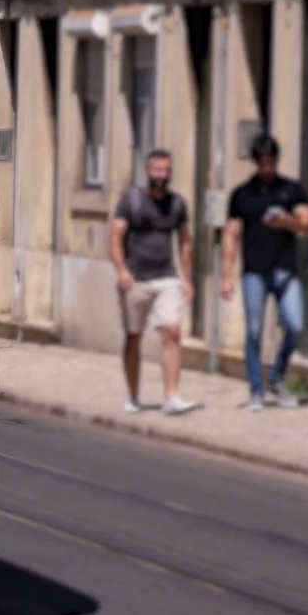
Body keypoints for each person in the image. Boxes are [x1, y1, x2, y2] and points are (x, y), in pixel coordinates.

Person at [222, 134, 308, 412]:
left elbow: (307, 224)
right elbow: (231, 235)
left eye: (272, 162)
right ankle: (256, 390)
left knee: (295, 326)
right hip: (254, 271)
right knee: (253, 332)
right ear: (256, 163)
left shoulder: (291, 190)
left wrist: (287, 222)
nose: (267, 168)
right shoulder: (242, 195)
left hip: (285, 270)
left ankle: (276, 376)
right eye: (263, 163)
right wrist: (226, 276)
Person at [110, 150, 199, 416]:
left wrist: (188, 280)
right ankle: (133, 395)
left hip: (166, 277)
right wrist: (122, 270)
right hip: (135, 279)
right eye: (158, 170)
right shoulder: (131, 200)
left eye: (166, 170)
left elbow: (185, 242)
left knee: (172, 332)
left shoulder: (177, 204)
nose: (162, 175)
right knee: (133, 337)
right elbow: (115, 237)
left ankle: (171, 396)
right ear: (148, 171)